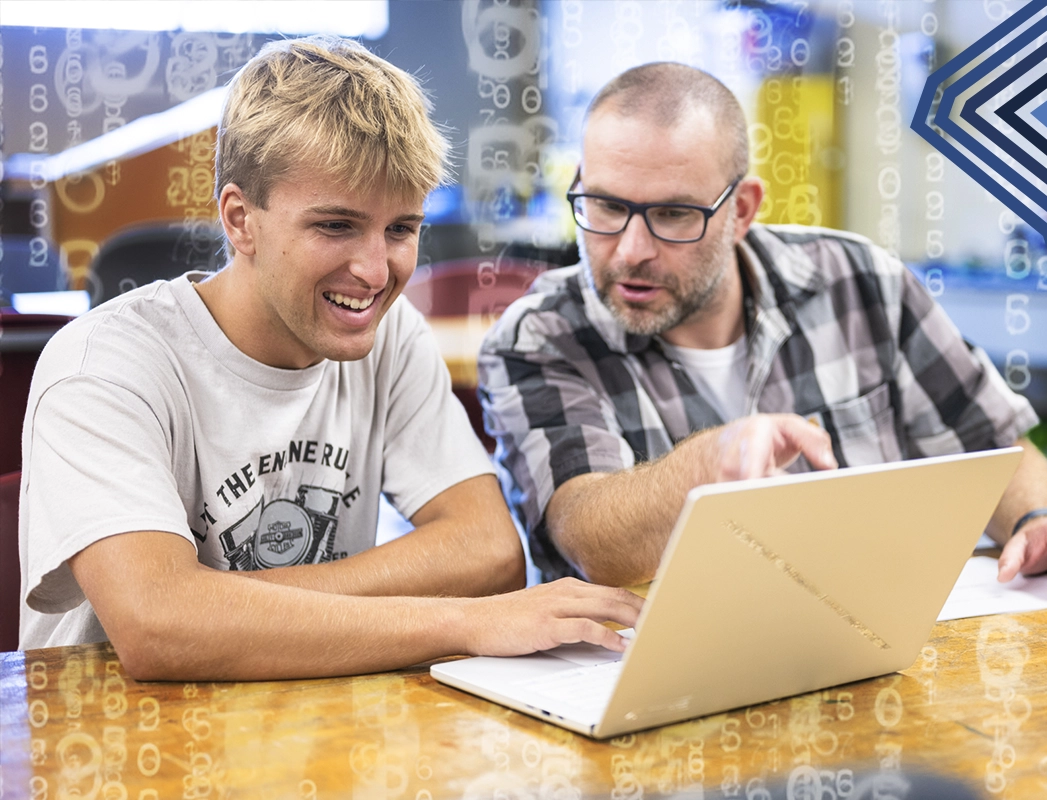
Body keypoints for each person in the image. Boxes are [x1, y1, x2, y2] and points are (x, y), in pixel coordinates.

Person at [18, 36, 641, 681]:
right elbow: (158, 626)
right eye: (335, 226)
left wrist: (227, 610)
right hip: (124, 753)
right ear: (239, 219)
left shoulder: (389, 336)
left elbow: (489, 553)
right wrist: (464, 620)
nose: (376, 272)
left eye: (401, 228)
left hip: (313, 735)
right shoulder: (103, 366)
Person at [478, 62, 1047, 606]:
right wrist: (707, 466)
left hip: (875, 655)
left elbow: (994, 447)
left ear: (741, 211)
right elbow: (591, 540)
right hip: (658, 691)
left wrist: (1038, 520)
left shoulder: (862, 281)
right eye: (607, 206)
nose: (630, 250)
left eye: (673, 214)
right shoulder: (541, 337)